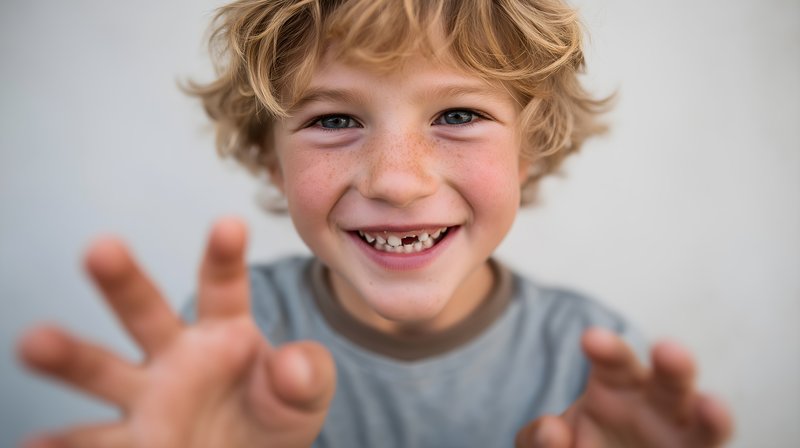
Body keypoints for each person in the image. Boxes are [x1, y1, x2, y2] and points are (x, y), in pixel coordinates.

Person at [17, 0, 734, 446]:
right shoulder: (230, 341)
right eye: (333, 119)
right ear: (271, 160)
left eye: (458, 115)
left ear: (529, 151)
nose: (396, 180)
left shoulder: (594, 364)